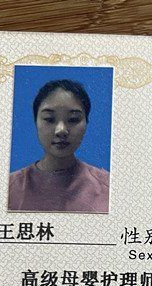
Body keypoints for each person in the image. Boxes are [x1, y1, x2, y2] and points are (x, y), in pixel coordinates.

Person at [8, 79, 109, 212]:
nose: (61, 130)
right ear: (36, 122)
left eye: (73, 119)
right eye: (49, 119)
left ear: (86, 123)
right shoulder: (9, 187)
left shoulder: (108, 186)